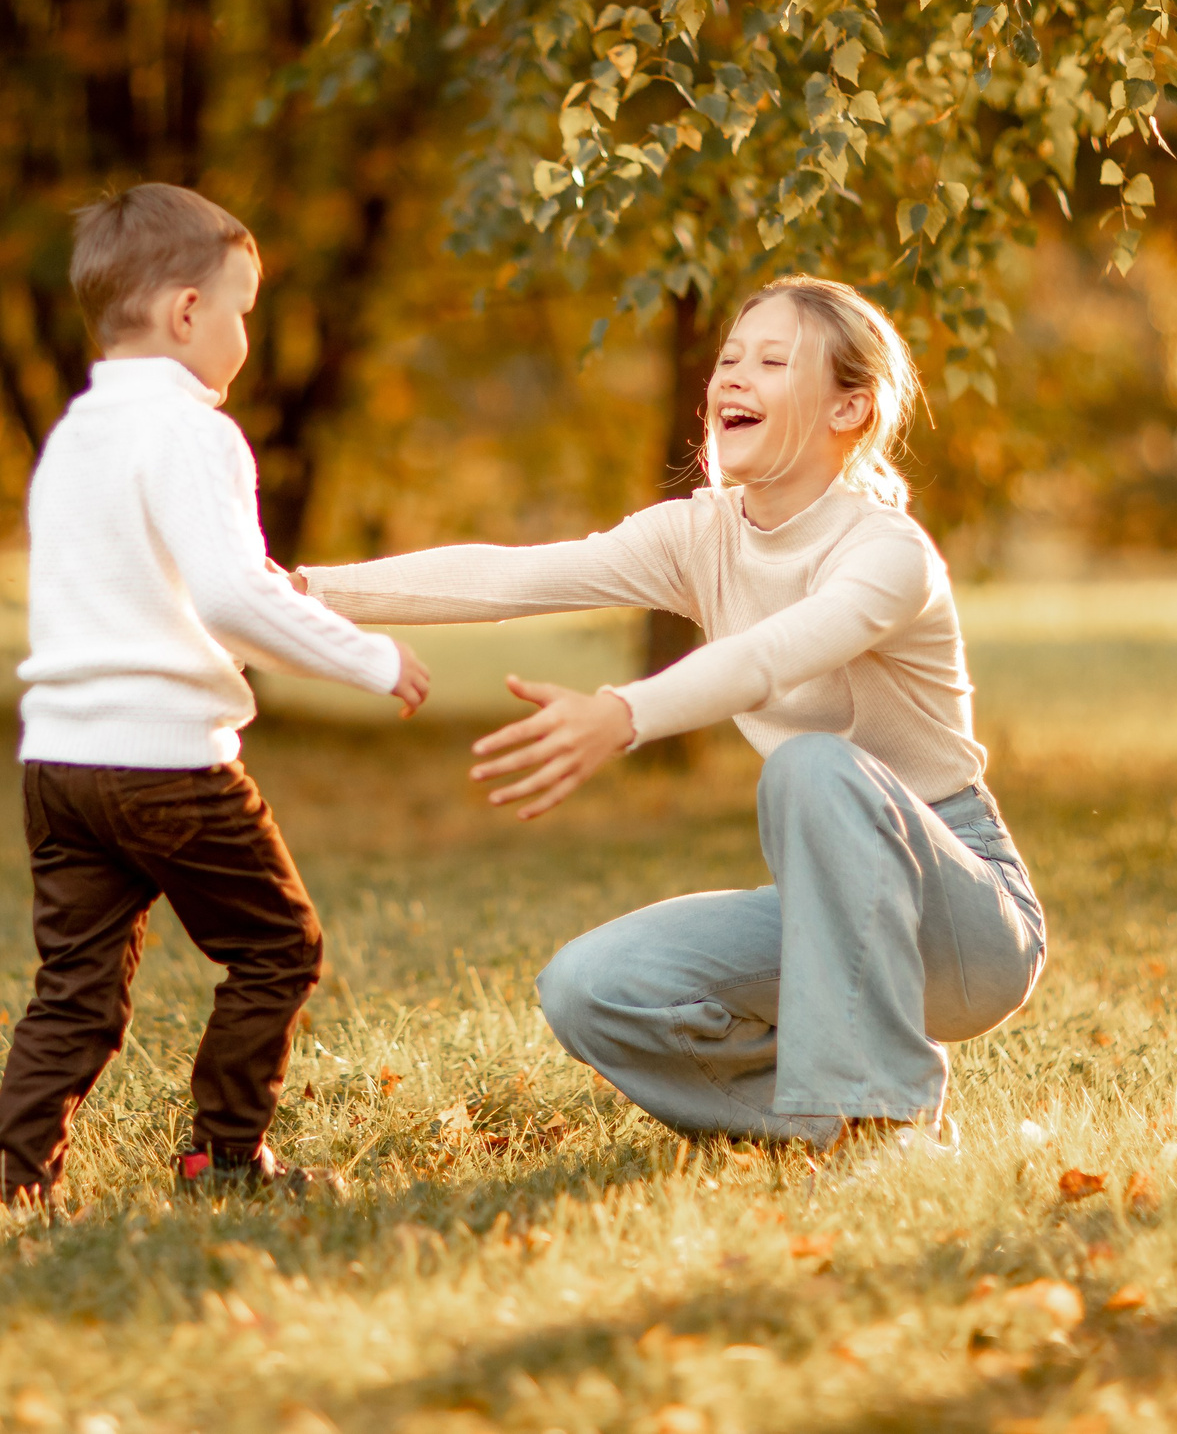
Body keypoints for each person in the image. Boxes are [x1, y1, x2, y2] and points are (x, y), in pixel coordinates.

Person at [294, 278, 1042, 1148]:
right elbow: (515, 576)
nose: (733, 376)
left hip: (967, 919)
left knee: (811, 761)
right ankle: (830, 1127)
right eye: (728, 358)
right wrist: (308, 591)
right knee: (589, 987)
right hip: (829, 903)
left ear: (851, 409)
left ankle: (892, 1113)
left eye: (771, 360)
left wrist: (622, 712)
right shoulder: (704, 535)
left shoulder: (886, 553)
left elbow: (767, 659)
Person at [0, 183, 432, 1205]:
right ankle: (224, 1159)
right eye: (241, 309)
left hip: (58, 763)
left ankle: (15, 1183)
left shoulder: (75, 436)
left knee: (76, 995)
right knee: (280, 948)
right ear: (188, 313)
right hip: (165, 765)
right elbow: (233, 597)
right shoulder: (192, 431)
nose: (243, 332)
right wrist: (366, 658)